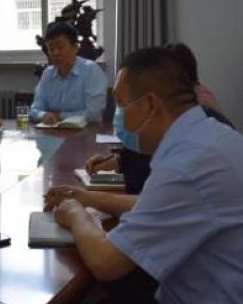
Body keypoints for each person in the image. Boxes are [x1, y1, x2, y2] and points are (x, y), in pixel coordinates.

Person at [45, 47, 243, 304]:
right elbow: (156, 205)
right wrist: (86, 197)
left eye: (121, 105)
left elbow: (106, 263)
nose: (118, 116)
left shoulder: (189, 163)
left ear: (150, 105)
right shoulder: (207, 137)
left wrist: (74, 213)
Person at [85, 42, 232, 194]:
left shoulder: (195, 125)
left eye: (121, 102)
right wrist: (118, 162)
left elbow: (154, 198)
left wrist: (83, 200)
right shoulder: (182, 120)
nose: (120, 111)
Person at [29, 21, 107, 124]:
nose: (56, 53)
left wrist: (60, 115)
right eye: (51, 49)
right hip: (53, 132)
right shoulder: (47, 74)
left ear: (75, 47)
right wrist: (43, 115)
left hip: (86, 132)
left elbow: (93, 113)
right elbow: (34, 110)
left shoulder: (91, 70)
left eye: (61, 47)